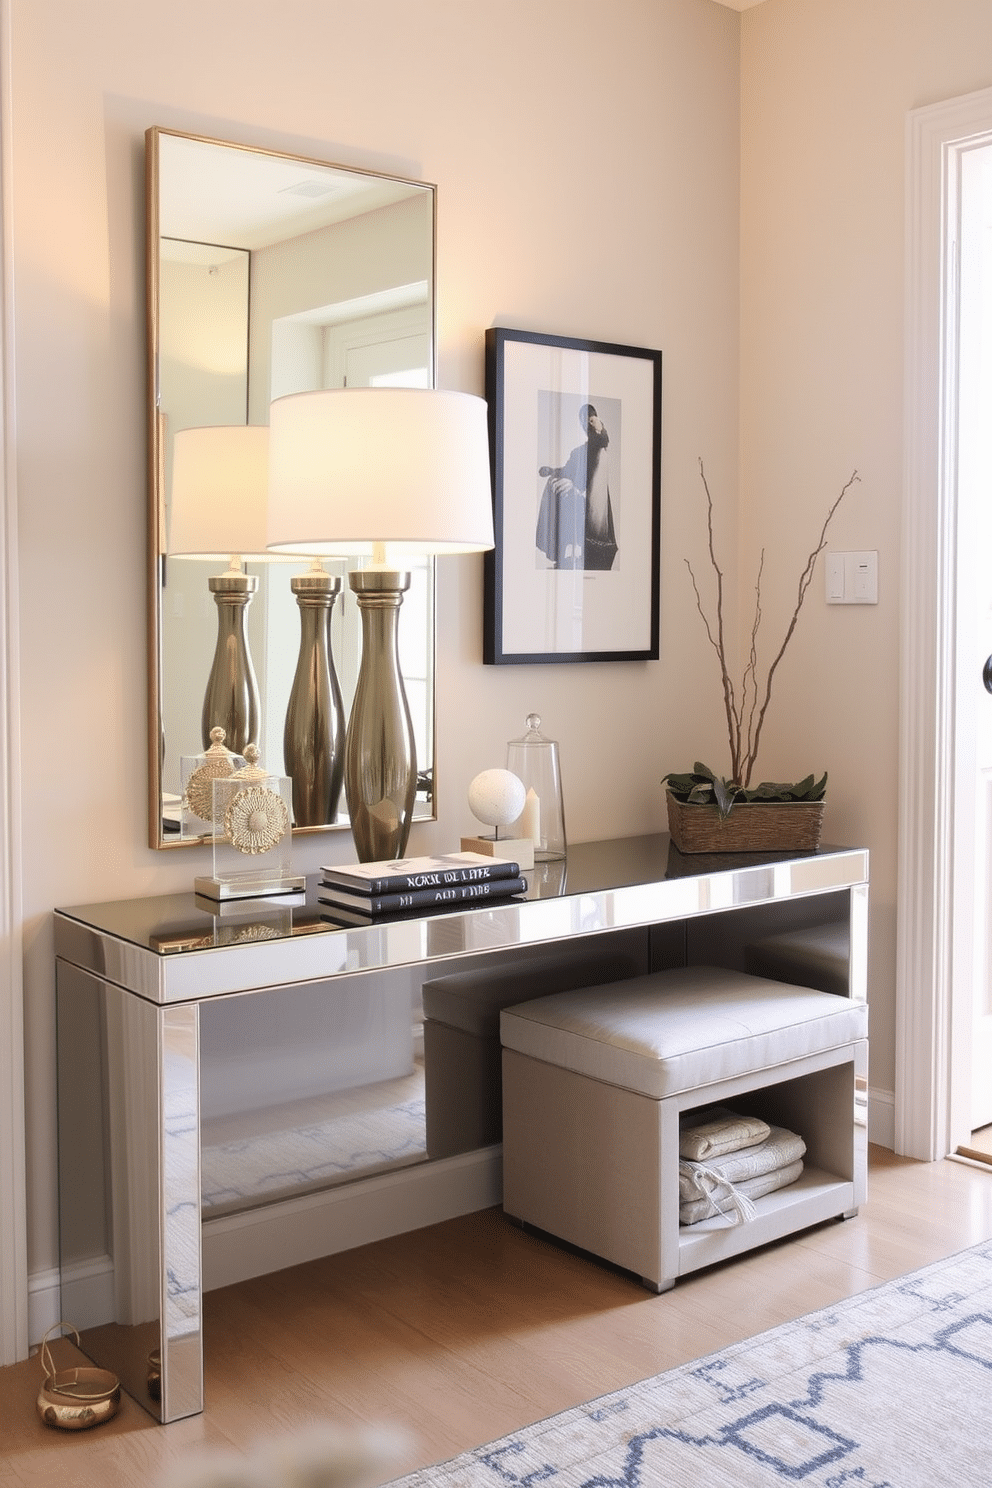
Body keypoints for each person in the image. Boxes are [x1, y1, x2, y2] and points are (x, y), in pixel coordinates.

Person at [535, 403, 618, 570]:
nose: (585, 425)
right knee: (555, 483)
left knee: (569, 493)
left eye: (588, 421)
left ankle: (576, 551)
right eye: (582, 421)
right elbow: (567, 471)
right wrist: (553, 472)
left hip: (593, 501)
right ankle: (563, 550)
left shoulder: (598, 446)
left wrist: (599, 426)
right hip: (577, 495)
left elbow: (602, 439)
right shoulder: (578, 452)